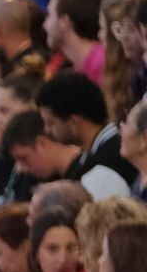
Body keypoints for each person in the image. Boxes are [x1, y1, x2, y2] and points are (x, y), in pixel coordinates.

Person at [34, 70, 135, 202]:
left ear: (74, 122)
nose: (47, 131)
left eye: (51, 123)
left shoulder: (111, 158)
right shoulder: (91, 156)